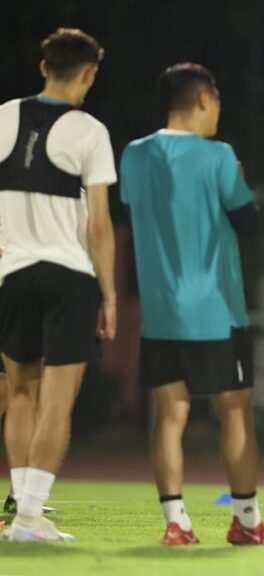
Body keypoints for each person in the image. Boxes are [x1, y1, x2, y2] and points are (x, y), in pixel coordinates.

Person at [119, 63, 264, 546]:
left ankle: (176, 523)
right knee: (236, 411)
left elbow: (139, 214)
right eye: (215, 103)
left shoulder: (133, 155)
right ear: (201, 100)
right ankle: (247, 523)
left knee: (170, 412)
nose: (217, 113)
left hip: (160, 310)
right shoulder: (218, 155)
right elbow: (248, 222)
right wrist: (236, 178)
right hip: (215, 308)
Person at [0, 28, 116, 542]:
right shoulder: (90, 131)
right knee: (57, 400)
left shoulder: (2, 115)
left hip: (12, 274)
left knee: (21, 392)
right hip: (69, 275)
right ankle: (29, 516)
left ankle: (22, 514)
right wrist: (109, 294)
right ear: (89, 74)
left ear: (43, 67)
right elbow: (98, 224)